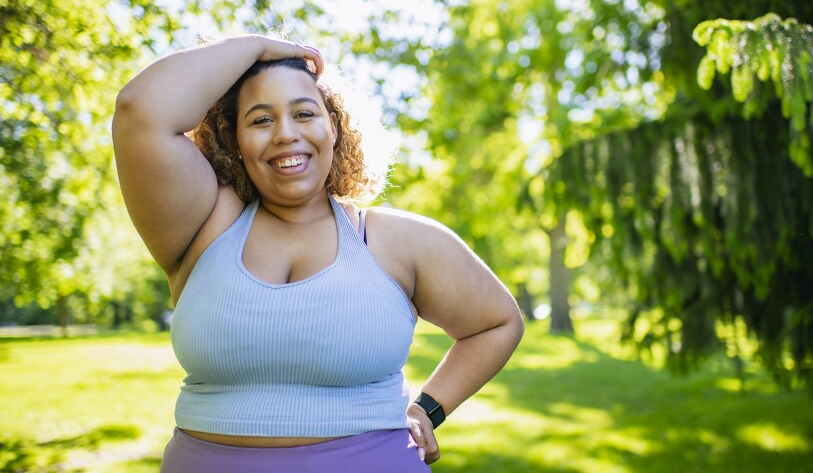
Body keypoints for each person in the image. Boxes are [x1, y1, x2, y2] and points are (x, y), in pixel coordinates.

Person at [112, 34, 524, 473]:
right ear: (234, 140)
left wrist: (429, 408)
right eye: (260, 120)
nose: (286, 134)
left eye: (304, 113)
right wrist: (256, 48)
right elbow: (140, 111)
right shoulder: (204, 225)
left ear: (334, 126)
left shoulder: (393, 240)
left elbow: (496, 323)